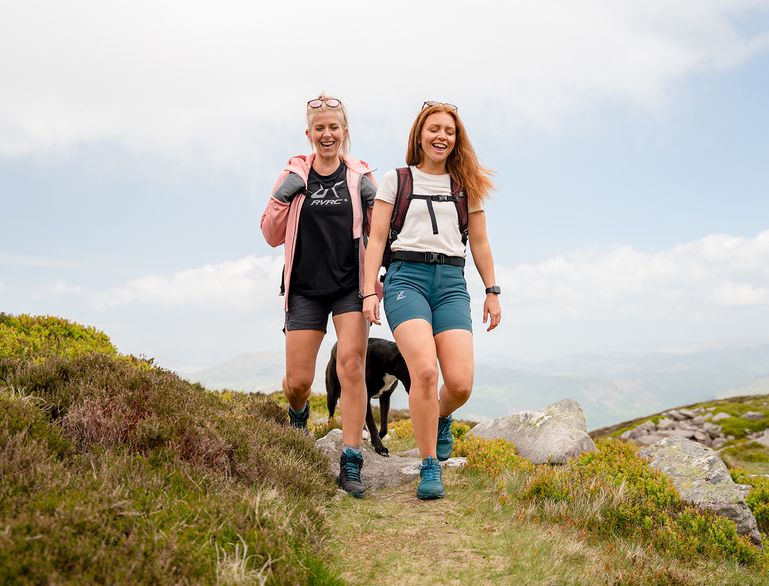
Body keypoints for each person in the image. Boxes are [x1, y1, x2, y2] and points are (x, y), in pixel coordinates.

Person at [362, 101, 501, 499]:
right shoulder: (397, 179)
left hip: (452, 282)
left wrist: (492, 290)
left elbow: (479, 242)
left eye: (449, 131)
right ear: (419, 135)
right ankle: (429, 467)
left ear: (457, 140)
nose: (441, 136)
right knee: (424, 371)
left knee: (459, 384)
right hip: (407, 279)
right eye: (434, 129)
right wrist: (369, 289)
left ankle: (440, 417)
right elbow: (375, 240)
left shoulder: (465, 184)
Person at [261, 94, 378, 498]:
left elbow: (381, 237)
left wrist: (374, 285)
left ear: (345, 131)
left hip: (350, 287)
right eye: (319, 128)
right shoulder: (293, 175)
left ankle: (351, 460)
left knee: (351, 366)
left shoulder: (361, 178)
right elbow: (271, 234)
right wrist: (283, 197)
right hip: (305, 289)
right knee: (297, 382)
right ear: (309, 133)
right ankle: (298, 417)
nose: (327, 134)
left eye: (334, 127)